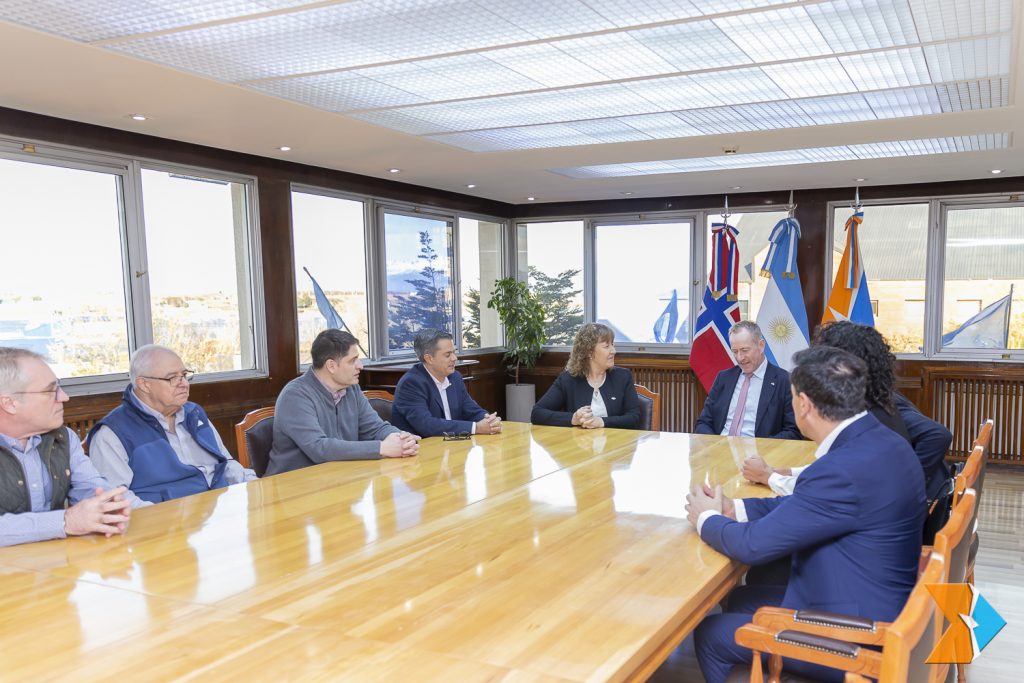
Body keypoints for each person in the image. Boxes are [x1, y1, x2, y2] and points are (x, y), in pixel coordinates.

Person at [686, 346, 926, 683]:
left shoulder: (840, 468)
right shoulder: (883, 441)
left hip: (857, 638)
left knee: (710, 633)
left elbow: (753, 546)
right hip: (879, 603)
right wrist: (734, 508)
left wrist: (706, 519)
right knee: (741, 597)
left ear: (804, 405)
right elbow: (805, 506)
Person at [742, 321, 951, 501]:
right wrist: (786, 472)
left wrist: (910, 482)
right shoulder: (872, 398)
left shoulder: (879, 408)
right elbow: (839, 471)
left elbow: (938, 434)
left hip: (920, 502)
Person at [88, 345, 256, 505]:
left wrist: (256, 487)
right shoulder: (112, 433)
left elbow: (226, 464)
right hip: (164, 520)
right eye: (172, 378)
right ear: (144, 384)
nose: (184, 383)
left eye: (184, 375)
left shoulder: (194, 413)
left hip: (219, 507)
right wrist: (164, 518)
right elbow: (116, 499)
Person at [0, 347, 133, 547]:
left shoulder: (63, 438)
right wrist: (65, 522)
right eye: (51, 391)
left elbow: (90, 486)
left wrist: (107, 506)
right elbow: (67, 522)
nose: (64, 397)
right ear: (9, 403)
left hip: (55, 558)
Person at [266, 329, 419, 475]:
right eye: (353, 360)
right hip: (293, 486)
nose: (360, 366)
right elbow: (319, 448)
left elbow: (375, 428)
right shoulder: (295, 395)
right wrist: (381, 448)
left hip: (339, 478)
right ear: (331, 366)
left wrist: (400, 438)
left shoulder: (351, 388)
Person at [693, 321, 801, 440]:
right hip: (721, 446)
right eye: (735, 351)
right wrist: (716, 444)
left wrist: (761, 447)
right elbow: (703, 423)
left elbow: (793, 432)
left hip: (760, 449)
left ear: (761, 346)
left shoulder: (785, 381)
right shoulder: (723, 378)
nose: (740, 358)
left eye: (745, 350)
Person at [391, 329, 501, 437]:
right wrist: (476, 428)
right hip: (422, 446)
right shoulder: (411, 383)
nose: (454, 358)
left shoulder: (454, 377)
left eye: (454, 352)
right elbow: (427, 425)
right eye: (448, 355)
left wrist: (489, 420)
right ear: (429, 358)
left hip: (452, 444)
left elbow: (471, 410)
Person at [531, 323, 641, 429]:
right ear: (589, 351)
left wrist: (602, 422)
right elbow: (537, 413)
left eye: (612, 345)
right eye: (606, 346)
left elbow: (634, 417)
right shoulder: (568, 379)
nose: (613, 351)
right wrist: (573, 419)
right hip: (580, 441)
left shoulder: (623, 377)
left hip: (615, 441)